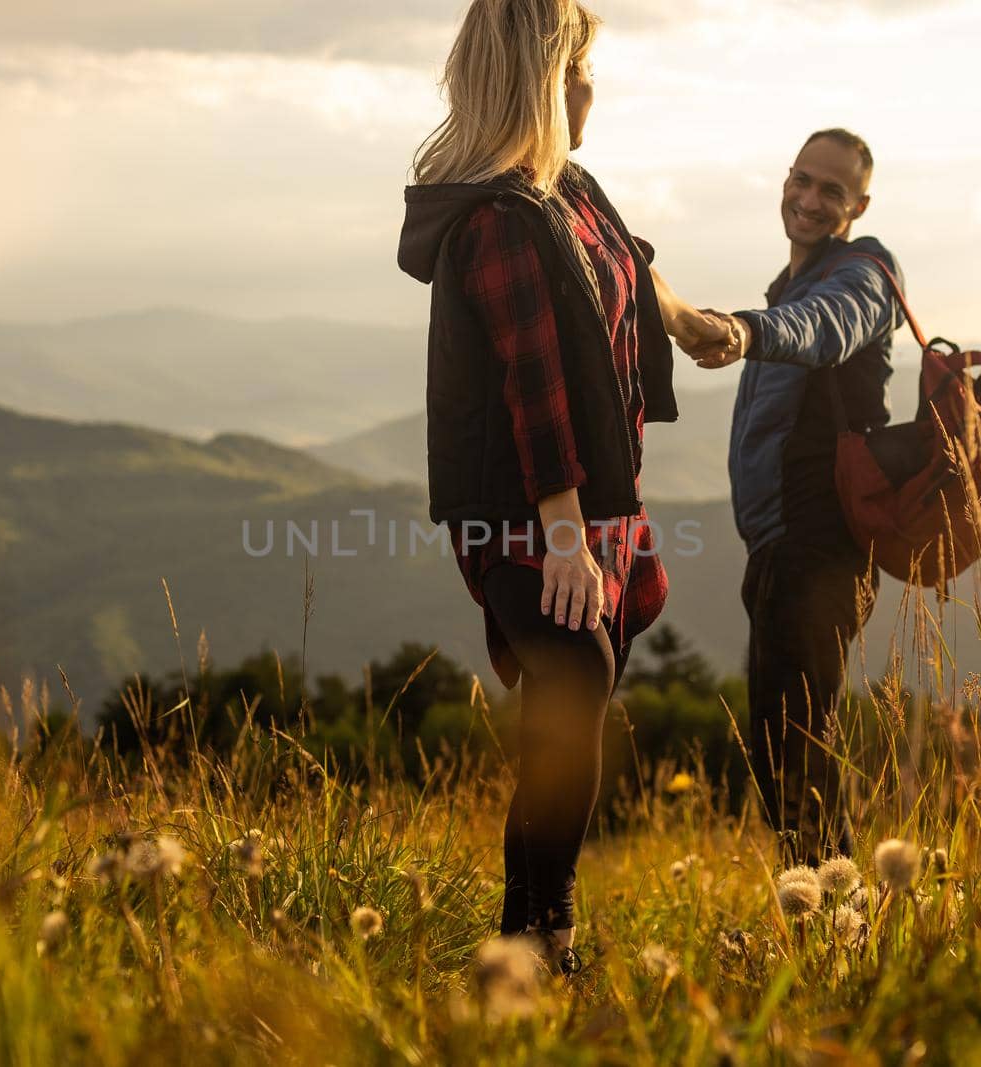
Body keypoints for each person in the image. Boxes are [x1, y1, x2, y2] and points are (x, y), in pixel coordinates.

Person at [396, 0, 736, 973]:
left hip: (591, 502)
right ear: (545, 78)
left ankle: (526, 937)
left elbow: (631, 261)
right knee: (576, 679)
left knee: (569, 703)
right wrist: (564, 536)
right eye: (581, 69)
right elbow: (533, 378)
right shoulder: (500, 220)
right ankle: (546, 936)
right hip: (530, 509)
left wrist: (687, 321)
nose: (592, 89)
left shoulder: (567, 190)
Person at [686, 129, 905, 863]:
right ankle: (832, 923)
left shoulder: (863, 275)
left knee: (794, 750)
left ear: (858, 205)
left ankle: (834, 929)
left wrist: (747, 332)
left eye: (831, 191)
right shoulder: (793, 286)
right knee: (788, 745)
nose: (809, 200)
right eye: (801, 180)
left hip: (820, 547)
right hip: (783, 546)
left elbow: (825, 329)